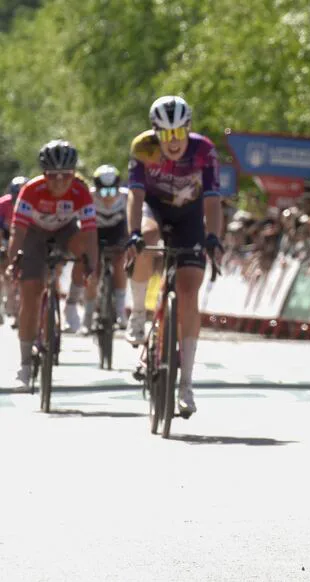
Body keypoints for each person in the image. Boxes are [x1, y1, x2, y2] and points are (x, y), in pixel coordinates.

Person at [125, 95, 223, 418]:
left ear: (188, 130)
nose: (174, 141)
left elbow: (212, 202)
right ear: (155, 133)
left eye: (179, 133)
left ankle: (187, 384)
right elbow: (135, 198)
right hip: (156, 210)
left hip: (189, 217)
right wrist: (133, 235)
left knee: (189, 289)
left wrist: (213, 239)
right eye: (166, 135)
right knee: (147, 237)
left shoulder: (204, 151)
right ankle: (138, 313)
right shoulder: (143, 149)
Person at [5, 141, 98, 391]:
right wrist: (14, 260)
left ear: (73, 174)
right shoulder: (31, 190)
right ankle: (24, 365)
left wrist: (91, 264)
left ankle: (71, 306)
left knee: (84, 252)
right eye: (52, 176)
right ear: (44, 174)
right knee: (31, 293)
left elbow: (90, 232)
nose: (59, 182)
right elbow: (18, 230)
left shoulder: (80, 191)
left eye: (65, 176)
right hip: (34, 233)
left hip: (65, 230)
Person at [76, 165, 130, 333]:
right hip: (95, 233)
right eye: (104, 192)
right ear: (96, 189)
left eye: (112, 192)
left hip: (117, 231)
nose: (108, 197)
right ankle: (88, 317)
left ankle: (121, 311)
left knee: (120, 262)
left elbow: (132, 221)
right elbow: (80, 222)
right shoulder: (89, 197)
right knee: (93, 272)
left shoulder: (126, 196)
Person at [0, 176, 27, 325]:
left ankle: (19, 313)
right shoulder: (3, 204)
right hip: (5, 235)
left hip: (24, 235)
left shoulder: (31, 202)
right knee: (3, 271)